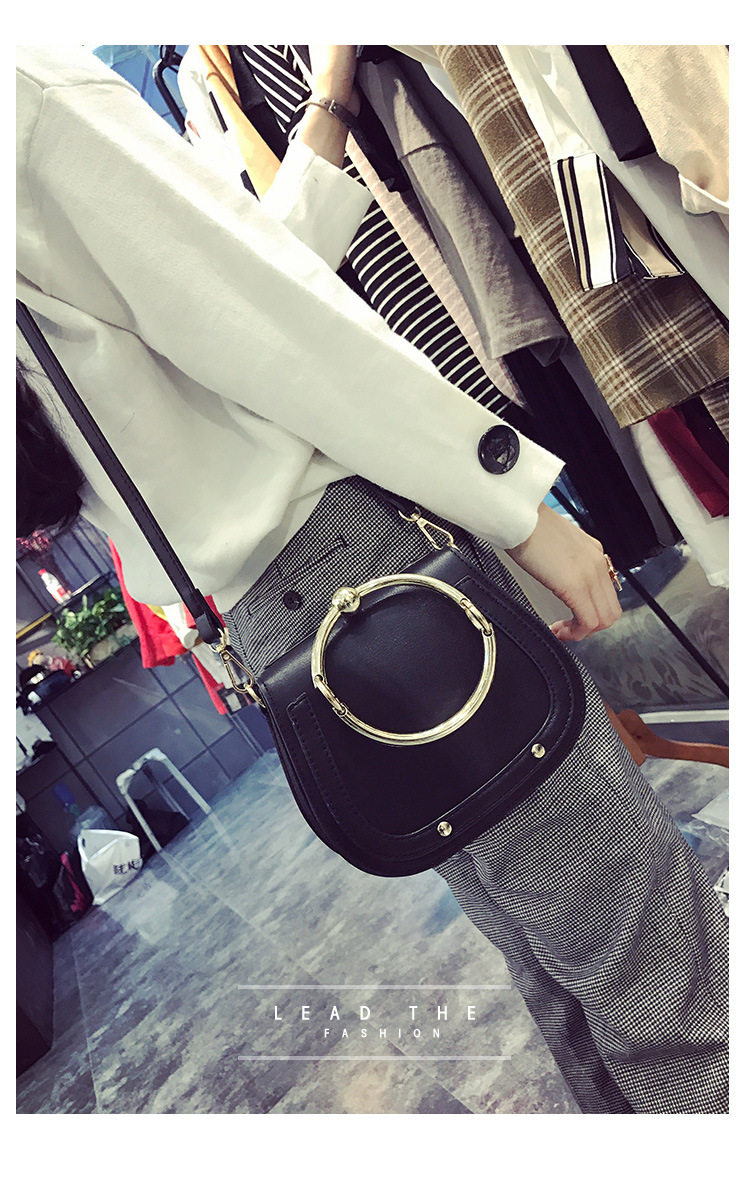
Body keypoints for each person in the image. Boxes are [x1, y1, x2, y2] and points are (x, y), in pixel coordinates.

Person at [16, 44, 728, 1114]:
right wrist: (513, 504)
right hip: (362, 566)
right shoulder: (21, 87)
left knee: (561, 961)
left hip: (273, 627)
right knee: (649, 952)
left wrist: (326, 115)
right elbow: (254, 314)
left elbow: (196, 311)